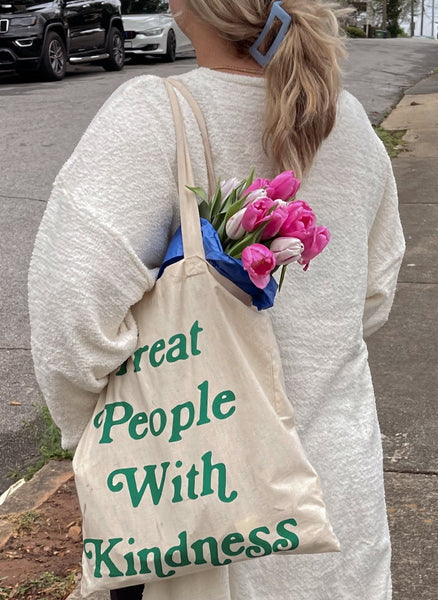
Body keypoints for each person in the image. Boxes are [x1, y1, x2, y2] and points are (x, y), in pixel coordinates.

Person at [27, 0, 405, 599]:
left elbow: (70, 328)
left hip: (202, 520)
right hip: (337, 508)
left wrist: (111, 442)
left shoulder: (154, 117)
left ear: (183, 5)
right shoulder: (350, 122)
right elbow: (374, 295)